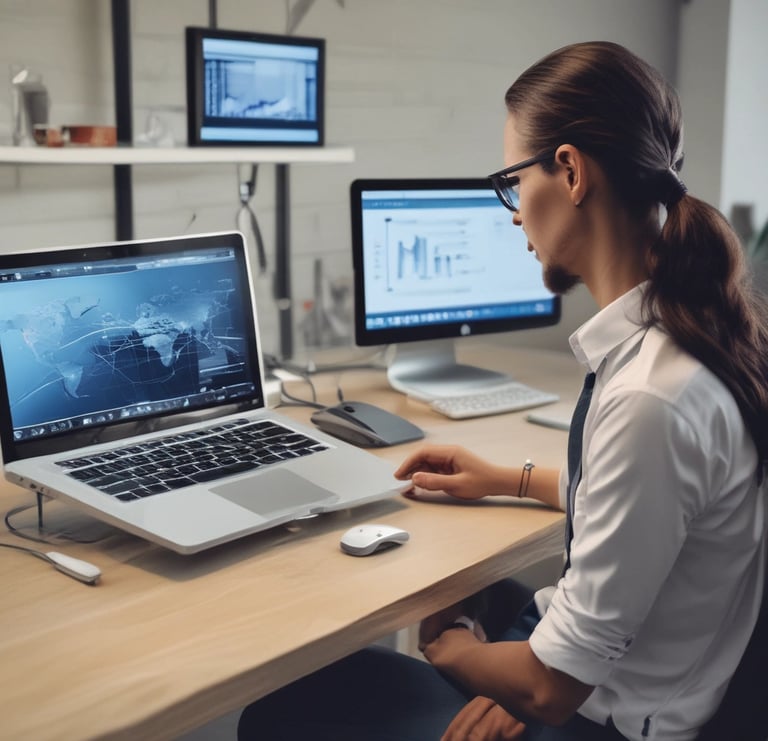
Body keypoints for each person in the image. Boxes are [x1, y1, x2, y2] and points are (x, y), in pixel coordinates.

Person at [237, 41, 768, 741]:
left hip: (601, 719)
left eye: (512, 180)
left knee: (287, 707)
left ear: (571, 172)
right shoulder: (689, 338)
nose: (513, 210)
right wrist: (510, 477)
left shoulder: (651, 397)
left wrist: (456, 651)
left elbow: (549, 688)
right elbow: (651, 499)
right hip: (633, 672)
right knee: (482, 593)